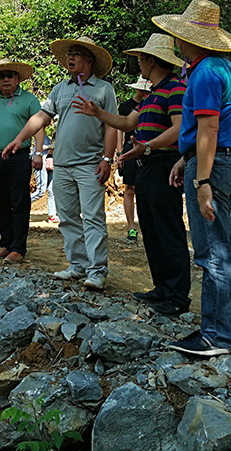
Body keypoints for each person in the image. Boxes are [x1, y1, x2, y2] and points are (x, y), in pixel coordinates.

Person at [149, 0, 231, 356]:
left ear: (187, 38)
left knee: (213, 252)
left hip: (214, 167)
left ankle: (215, 335)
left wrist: (202, 181)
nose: (176, 41)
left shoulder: (204, 72)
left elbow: (208, 127)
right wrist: (185, 159)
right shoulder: (225, 69)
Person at [73, 33, 189, 315]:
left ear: (152, 61)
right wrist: (97, 112)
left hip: (164, 164)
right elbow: (126, 122)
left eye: (141, 59)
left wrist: (147, 146)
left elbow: (179, 127)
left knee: (168, 229)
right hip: (146, 166)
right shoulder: (151, 94)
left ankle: (177, 296)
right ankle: (162, 287)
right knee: (150, 229)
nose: (138, 64)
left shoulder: (175, 89)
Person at [3, 37, 117, 289]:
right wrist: (19, 138)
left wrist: (108, 159)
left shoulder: (103, 89)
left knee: (93, 218)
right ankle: (78, 266)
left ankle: (97, 270)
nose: (70, 58)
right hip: (62, 165)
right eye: (68, 55)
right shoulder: (60, 89)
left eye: (76, 54)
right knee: (66, 218)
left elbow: (112, 126)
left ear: (89, 60)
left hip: (90, 165)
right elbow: (42, 117)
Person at [0, 59, 44, 263]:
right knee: (0, 202)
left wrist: (38, 153)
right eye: (1, 76)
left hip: (19, 159)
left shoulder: (29, 100)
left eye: (10, 75)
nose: (6, 79)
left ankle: (18, 248)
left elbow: (39, 127)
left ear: (17, 78)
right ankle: (6, 243)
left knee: (20, 203)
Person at [117, 76, 150, 243]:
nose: (143, 92)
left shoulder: (153, 103)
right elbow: (119, 130)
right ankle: (131, 227)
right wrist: (119, 152)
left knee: (146, 189)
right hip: (129, 150)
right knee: (129, 189)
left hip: (149, 149)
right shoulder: (126, 106)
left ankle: (148, 226)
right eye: (141, 89)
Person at [30, 132, 51, 203]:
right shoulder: (38, 132)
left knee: (51, 189)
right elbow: (40, 147)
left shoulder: (45, 134)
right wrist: (53, 145)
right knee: (40, 191)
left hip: (46, 163)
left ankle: (52, 213)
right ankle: (20, 205)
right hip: (40, 163)